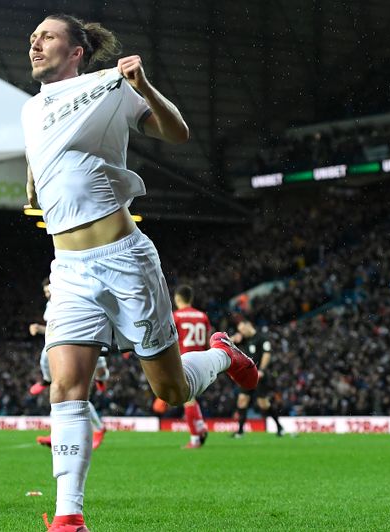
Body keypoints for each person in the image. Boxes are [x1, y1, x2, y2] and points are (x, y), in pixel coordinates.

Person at [22, 14, 257, 531]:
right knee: (66, 386)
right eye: (34, 37)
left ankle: (222, 354)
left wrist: (143, 84)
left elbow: (178, 132)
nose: (35, 43)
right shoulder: (29, 109)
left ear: (77, 50)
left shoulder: (108, 90)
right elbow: (41, 152)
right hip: (69, 268)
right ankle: (69, 515)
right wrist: (33, 182)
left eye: (48, 36)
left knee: (170, 391)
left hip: (123, 257)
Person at [30, 278, 109, 450]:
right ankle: (57, 434)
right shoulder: (51, 305)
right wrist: (39, 328)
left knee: (76, 393)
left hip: (82, 347)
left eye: (49, 291)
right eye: (45, 292)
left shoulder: (75, 299)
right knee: (60, 390)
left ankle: (98, 425)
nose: (47, 295)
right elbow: (52, 328)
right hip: (64, 349)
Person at [171, 285, 211, 449]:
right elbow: (207, 340)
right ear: (191, 299)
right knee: (190, 398)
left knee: (186, 399)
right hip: (202, 360)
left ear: (177, 299)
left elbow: (170, 341)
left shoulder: (176, 316)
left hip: (185, 361)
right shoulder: (202, 316)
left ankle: (195, 438)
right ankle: (201, 427)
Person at [232, 319, 284, 438]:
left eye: (242, 330)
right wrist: (234, 338)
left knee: (263, 404)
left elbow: (267, 353)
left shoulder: (261, 338)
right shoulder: (244, 340)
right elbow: (226, 343)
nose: (242, 332)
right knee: (242, 400)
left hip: (259, 376)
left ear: (248, 325)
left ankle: (279, 427)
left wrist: (261, 370)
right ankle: (240, 431)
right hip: (247, 376)